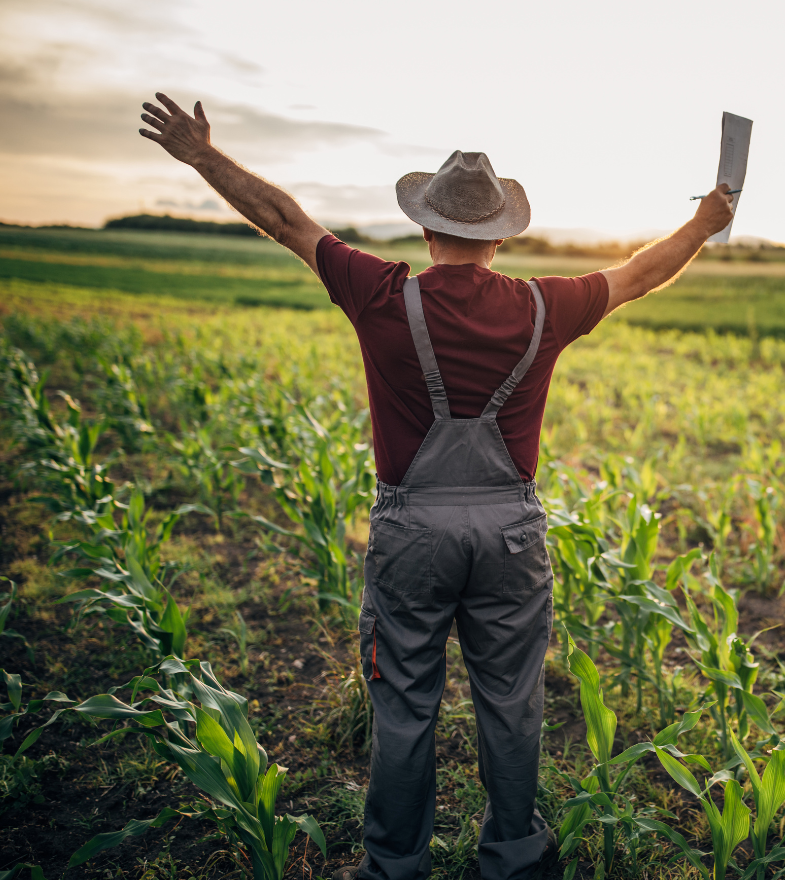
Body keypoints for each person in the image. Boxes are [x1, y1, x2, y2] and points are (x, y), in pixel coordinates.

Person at [137, 93, 735, 880]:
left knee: (405, 708)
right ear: (499, 237)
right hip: (510, 535)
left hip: (412, 536)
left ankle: (394, 867)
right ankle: (514, 858)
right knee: (513, 704)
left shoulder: (382, 293)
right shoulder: (542, 307)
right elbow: (637, 276)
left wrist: (205, 157)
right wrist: (703, 223)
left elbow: (284, 220)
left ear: (426, 229)